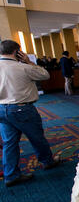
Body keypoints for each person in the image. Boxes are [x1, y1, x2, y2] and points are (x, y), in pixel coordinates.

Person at [0, 40, 60, 187]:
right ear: (16, 52)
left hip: (2, 109)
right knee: (36, 137)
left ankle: (11, 174)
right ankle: (47, 161)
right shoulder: (23, 67)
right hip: (22, 109)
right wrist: (28, 61)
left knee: (9, 143)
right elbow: (45, 75)